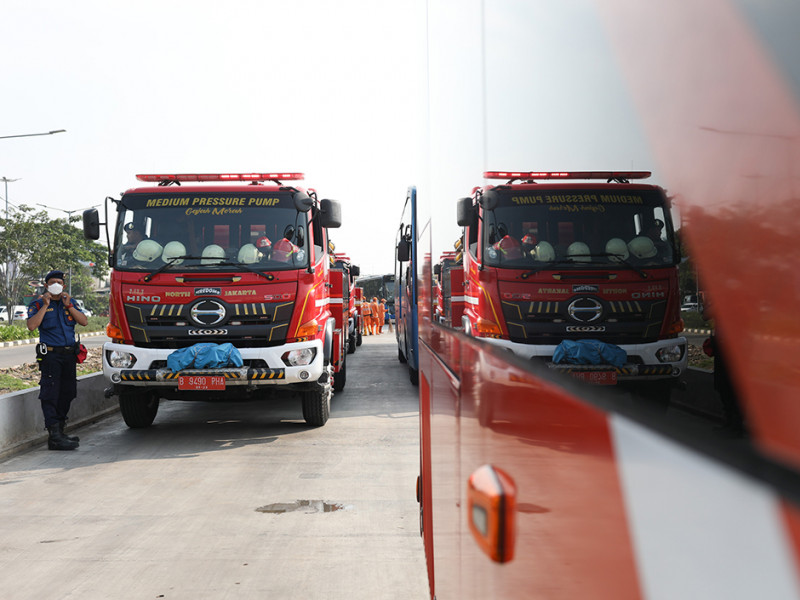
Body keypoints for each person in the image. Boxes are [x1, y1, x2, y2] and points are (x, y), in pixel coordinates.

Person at [27, 270, 88, 450]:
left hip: (69, 355)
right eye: (53, 282)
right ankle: (53, 435)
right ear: (46, 285)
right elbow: (31, 326)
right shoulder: (38, 303)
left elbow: (84, 321)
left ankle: (60, 431)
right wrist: (45, 306)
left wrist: (69, 306)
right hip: (51, 356)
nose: (56, 285)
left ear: (63, 285)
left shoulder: (69, 302)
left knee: (68, 392)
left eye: (59, 282)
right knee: (50, 393)